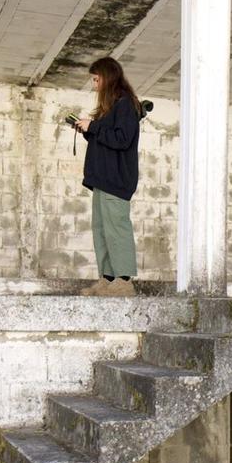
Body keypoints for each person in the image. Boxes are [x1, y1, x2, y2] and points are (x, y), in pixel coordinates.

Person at [74, 57, 143, 297]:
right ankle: (108, 278)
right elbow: (106, 138)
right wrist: (87, 129)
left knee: (116, 228)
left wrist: (93, 127)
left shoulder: (126, 105)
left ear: (107, 77)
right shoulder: (112, 106)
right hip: (103, 179)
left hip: (116, 180)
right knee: (101, 229)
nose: (94, 84)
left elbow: (122, 139)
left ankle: (123, 281)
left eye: (96, 79)